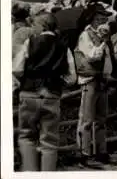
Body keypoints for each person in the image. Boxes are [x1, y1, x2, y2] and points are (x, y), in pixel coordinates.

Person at [13, 13, 77, 171]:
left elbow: (17, 69)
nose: (33, 28)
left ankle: (30, 171)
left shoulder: (30, 42)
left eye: (34, 24)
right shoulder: (63, 46)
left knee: (27, 136)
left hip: (29, 94)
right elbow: (72, 78)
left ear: (43, 25)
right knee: (49, 141)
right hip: (51, 96)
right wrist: (56, 82)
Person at [73, 3, 114, 165]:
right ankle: (83, 152)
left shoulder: (102, 35)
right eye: (101, 18)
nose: (104, 21)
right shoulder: (86, 35)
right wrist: (103, 42)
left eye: (105, 18)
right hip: (89, 80)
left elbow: (108, 59)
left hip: (101, 80)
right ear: (94, 19)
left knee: (101, 119)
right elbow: (92, 56)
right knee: (87, 119)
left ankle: (101, 151)